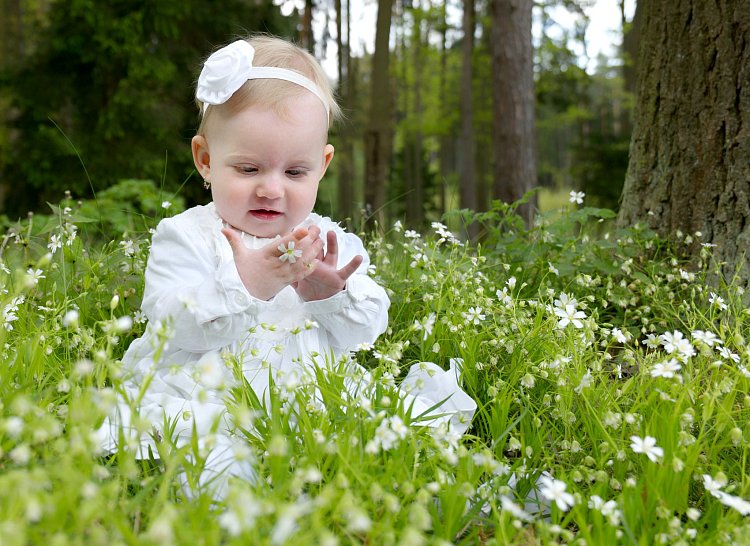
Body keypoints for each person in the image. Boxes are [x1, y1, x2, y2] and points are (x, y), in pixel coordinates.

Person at [98, 35, 476, 499]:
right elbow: (168, 327)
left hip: (310, 395)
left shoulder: (326, 239)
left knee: (380, 440)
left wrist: (330, 297)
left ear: (322, 165)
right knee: (208, 456)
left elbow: (364, 332)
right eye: (249, 169)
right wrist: (246, 284)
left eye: (295, 172)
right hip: (211, 397)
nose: (272, 190)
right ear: (206, 160)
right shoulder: (187, 236)